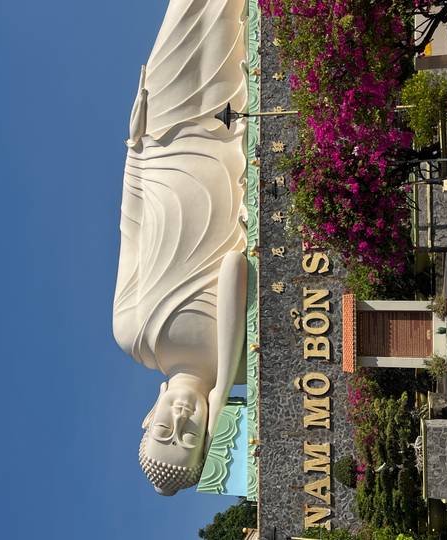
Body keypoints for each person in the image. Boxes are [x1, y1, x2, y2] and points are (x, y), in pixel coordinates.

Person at [112, 0, 249, 495]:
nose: (181, 419)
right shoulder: (237, 362)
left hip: (166, 155)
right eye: (189, 436)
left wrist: (135, 151)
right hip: (234, 169)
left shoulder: (132, 335)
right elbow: (235, 265)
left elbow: (131, 231)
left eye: (164, 429)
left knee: (188, 13)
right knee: (238, 29)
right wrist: (219, 389)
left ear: (149, 417)